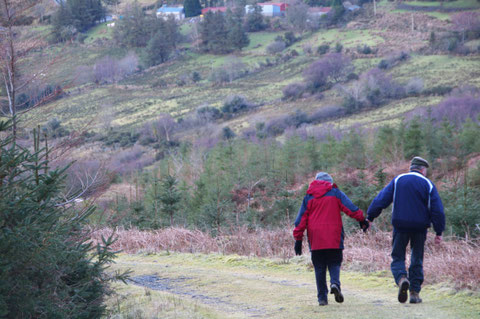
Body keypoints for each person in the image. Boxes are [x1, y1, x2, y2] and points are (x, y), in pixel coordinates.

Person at [366, 156, 445, 304]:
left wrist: (370, 217)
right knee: (417, 258)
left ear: (411, 168)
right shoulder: (427, 184)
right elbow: (437, 210)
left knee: (398, 256)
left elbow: (381, 200)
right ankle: (414, 293)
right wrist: (439, 232)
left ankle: (402, 278)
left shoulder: (398, 180)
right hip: (420, 228)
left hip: (400, 225)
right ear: (423, 170)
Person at [293, 172, 369, 306]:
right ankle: (335, 284)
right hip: (334, 234)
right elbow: (350, 208)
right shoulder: (335, 193)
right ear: (329, 182)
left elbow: (300, 220)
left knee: (319, 266)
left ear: (316, 181)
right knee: (334, 262)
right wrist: (362, 219)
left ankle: (322, 298)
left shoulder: (309, 197)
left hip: (315, 237)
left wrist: (298, 239)